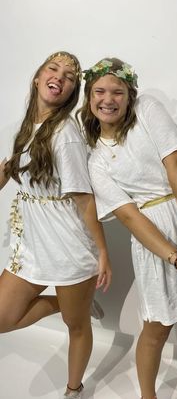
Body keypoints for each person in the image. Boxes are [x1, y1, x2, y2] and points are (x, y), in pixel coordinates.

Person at [78, 57, 177, 399]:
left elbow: (175, 163)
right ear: (89, 99)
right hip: (155, 239)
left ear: (129, 94)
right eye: (99, 92)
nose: (108, 99)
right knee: (155, 329)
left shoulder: (148, 109)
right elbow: (131, 217)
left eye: (117, 91)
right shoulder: (97, 161)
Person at [0, 51, 112, 399]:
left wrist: (103, 252)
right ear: (38, 77)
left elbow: (83, 198)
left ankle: (74, 389)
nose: (60, 77)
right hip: (33, 241)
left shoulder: (66, 134)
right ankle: (72, 302)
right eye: (54, 69)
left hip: (68, 243)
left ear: (71, 91)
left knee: (76, 327)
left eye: (69, 76)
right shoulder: (29, 126)